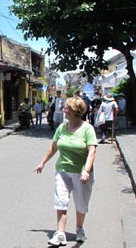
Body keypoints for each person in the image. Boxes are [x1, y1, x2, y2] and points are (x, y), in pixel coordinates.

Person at [33, 97, 98, 246]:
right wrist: (43, 162)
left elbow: (92, 150)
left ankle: (79, 229)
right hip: (62, 170)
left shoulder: (87, 129)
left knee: (81, 204)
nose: (64, 110)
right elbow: (54, 147)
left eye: (66, 108)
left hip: (81, 172)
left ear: (75, 111)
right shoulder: (62, 127)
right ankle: (60, 233)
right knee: (60, 201)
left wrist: (86, 170)